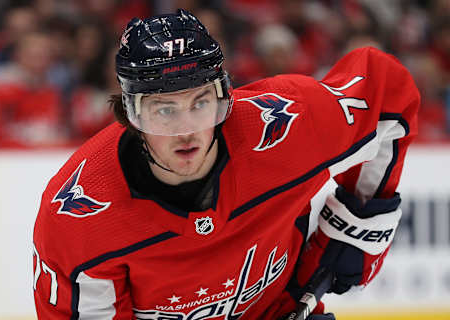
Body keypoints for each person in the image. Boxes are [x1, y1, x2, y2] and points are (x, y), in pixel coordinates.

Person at [32, 9, 419, 319]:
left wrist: (356, 224)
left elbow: (388, 93)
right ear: (131, 114)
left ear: (225, 98)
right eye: (163, 111)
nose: (187, 131)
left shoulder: (283, 125)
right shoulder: (80, 216)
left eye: (200, 104)